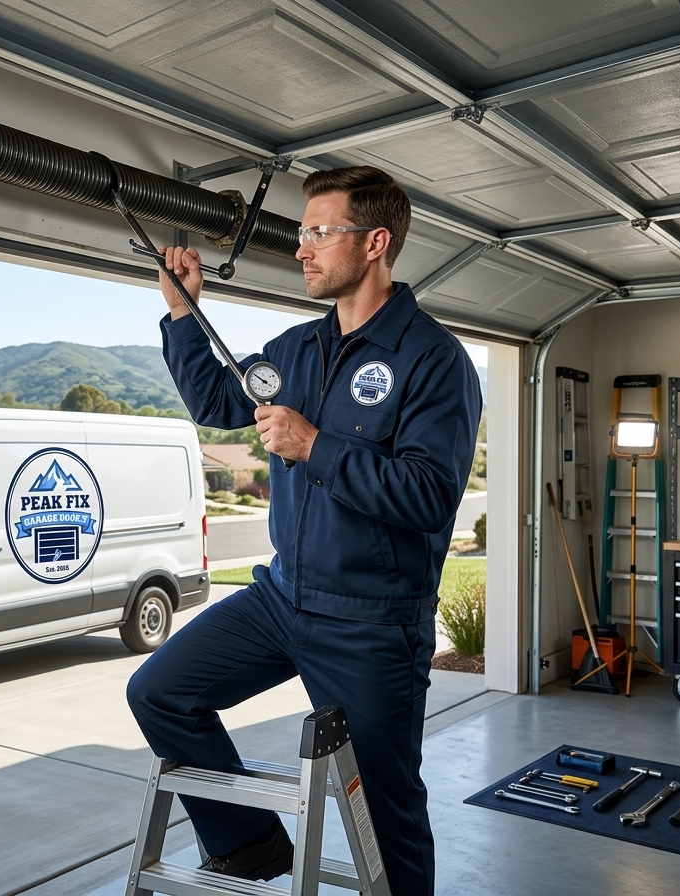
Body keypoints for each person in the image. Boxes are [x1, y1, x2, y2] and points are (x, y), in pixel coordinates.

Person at [126, 165, 482, 895]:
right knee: (160, 692)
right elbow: (220, 397)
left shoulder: (432, 361)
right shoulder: (293, 351)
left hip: (372, 621)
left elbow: (427, 494)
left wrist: (315, 445)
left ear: (376, 241)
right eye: (301, 232)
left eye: (319, 232)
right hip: (282, 599)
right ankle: (249, 841)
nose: (301, 248)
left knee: (388, 813)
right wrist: (184, 313)